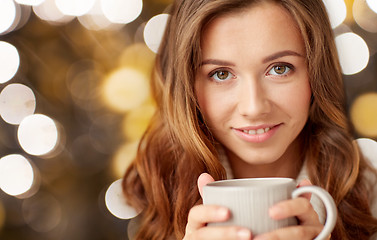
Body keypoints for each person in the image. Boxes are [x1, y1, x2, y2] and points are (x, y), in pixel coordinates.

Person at [122, 0, 377, 239]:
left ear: (316, 72)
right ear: (186, 86)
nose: (254, 108)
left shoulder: (368, 190)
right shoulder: (159, 186)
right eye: (221, 74)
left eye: (280, 68)